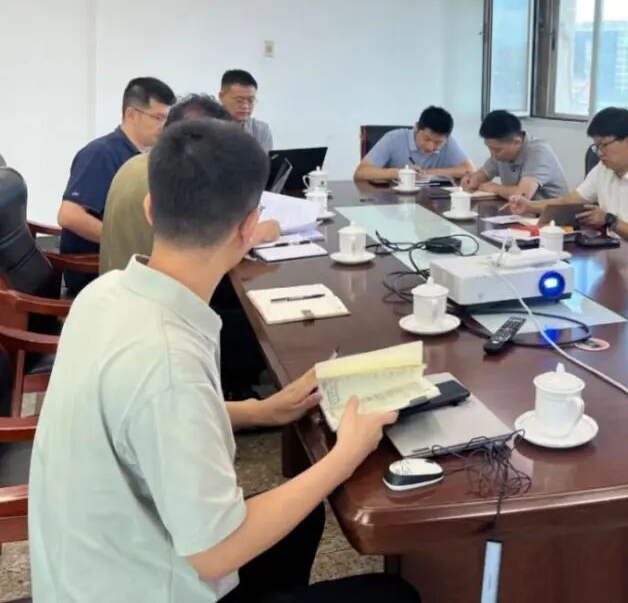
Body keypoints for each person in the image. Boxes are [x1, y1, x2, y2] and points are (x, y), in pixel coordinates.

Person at [29, 118, 418, 603]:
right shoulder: (168, 363)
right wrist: (347, 454)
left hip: (90, 566)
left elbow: (135, 415)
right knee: (392, 594)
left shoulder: (103, 294)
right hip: (144, 584)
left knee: (300, 522)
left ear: (150, 208)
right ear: (249, 228)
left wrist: (261, 410)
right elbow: (215, 554)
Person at [99, 94, 281, 275]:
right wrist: (261, 231)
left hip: (122, 280)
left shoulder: (135, 164)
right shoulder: (178, 181)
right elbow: (214, 249)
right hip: (164, 285)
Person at [507, 107, 628, 263]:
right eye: (596, 147)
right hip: (617, 255)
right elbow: (568, 201)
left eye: (604, 145)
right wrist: (529, 206)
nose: (600, 153)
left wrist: (609, 220)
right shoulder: (604, 169)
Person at [58, 76, 176, 292]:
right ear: (131, 114)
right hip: (97, 269)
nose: (164, 126)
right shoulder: (102, 154)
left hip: (129, 261)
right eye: (158, 118)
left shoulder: (144, 155)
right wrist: (123, 241)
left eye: (167, 118)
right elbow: (69, 215)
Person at [461, 110, 568, 200]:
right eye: (489, 148)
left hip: (551, 216)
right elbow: (485, 172)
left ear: (517, 142)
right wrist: (474, 180)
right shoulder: (500, 152)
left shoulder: (539, 152)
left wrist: (495, 188)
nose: (493, 155)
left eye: (496, 150)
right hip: (523, 213)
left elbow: (522, 195)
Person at [353, 106, 474, 181]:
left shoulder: (449, 142)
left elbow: (469, 170)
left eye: (438, 142)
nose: (430, 147)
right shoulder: (393, 138)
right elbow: (361, 172)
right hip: (394, 202)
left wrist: (427, 173)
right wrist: (402, 173)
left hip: (432, 202)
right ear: (416, 128)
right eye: (426, 139)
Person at [220, 69, 273, 152]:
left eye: (250, 100)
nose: (245, 106)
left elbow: (266, 160)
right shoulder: (206, 128)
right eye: (239, 100)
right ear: (221, 96)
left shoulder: (261, 130)